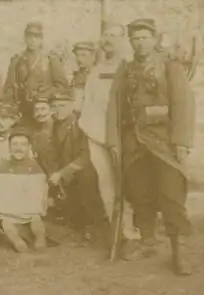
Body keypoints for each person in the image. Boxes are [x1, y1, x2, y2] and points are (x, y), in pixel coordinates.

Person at [105, 18, 195, 276]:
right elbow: (115, 105)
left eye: (145, 37)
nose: (140, 43)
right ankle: (147, 240)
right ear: (130, 42)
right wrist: (114, 140)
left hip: (163, 142)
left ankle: (181, 250)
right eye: (135, 38)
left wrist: (182, 141)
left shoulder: (169, 66)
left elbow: (183, 103)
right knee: (140, 193)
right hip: (134, 142)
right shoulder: (127, 69)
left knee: (171, 195)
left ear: (154, 39)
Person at [78, 23, 131, 235]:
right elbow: (88, 102)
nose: (108, 39)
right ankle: (116, 230)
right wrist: (89, 130)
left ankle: (131, 231)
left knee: (126, 184)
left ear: (122, 39)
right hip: (97, 135)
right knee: (106, 184)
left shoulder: (128, 67)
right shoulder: (97, 70)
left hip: (121, 135)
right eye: (106, 35)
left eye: (114, 36)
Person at [49, 93, 111, 250]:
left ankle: (96, 226)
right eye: (54, 106)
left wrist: (62, 173)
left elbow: (86, 155)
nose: (58, 110)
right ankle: (80, 224)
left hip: (86, 168)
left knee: (87, 179)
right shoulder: (55, 125)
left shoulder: (81, 124)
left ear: (71, 106)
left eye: (62, 106)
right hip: (68, 170)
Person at [0, 126, 48, 253]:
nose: (19, 148)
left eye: (23, 144)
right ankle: (17, 241)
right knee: (6, 222)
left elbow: (38, 192)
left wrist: (35, 205)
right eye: (15, 144)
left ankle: (40, 239)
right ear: (9, 147)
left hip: (27, 208)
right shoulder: (0, 166)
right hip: (7, 210)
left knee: (36, 219)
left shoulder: (34, 167)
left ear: (28, 148)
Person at [2, 22, 68, 126]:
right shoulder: (17, 60)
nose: (33, 40)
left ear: (41, 39)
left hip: (44, 111)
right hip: (23, 111)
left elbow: (62, 86)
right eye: (29, 36)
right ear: (25, 38)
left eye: (36, 37)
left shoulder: (51, 59)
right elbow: (9, 88)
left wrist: (44, 95)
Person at [70, 41, 97, 114]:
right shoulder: (76, 76)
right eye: (77, 55)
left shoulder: (98, 74)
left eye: (83, 55)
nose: (79, 59)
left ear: (93, 57)